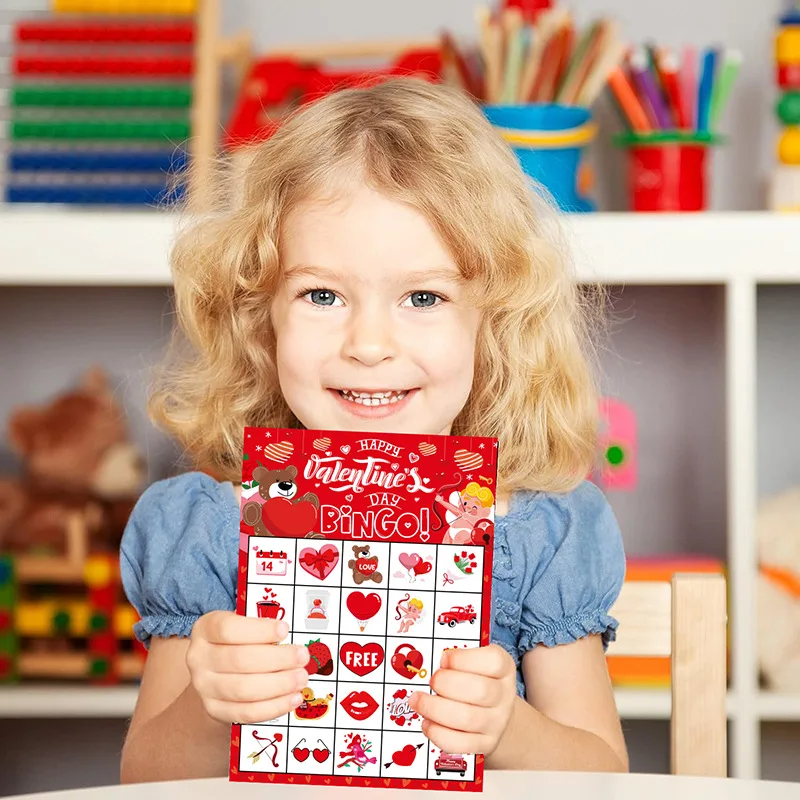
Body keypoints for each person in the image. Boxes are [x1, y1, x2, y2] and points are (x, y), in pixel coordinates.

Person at [119, 76, 628, 782]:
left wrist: (508, 727)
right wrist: (211, 707)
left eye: (424, 296)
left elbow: (603, 773)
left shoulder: (547, 530)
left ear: (494, 323)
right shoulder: (206, 526)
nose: (368, 344)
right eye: (321, 294)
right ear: (260, 317)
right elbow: (143, 778)